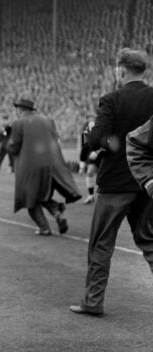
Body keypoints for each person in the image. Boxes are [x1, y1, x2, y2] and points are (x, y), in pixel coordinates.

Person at [71, 48, 153, 317]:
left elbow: (96, 141)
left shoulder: (111, 99)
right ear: (143, 70)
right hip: (146, 182)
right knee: (150, 242)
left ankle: (93, 302)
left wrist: (108, 141)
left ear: (120, 70)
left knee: (102, 244)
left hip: (115, 183)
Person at [6, 99, 81, 236]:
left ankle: (44, 228)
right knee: (42, 195)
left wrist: (8, 136)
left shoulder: (18, 123)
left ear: (21, 110)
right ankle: (57, 213)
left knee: (30, 201)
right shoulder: (48, 120)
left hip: (31, 167)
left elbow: (13, 148)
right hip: (52, 165)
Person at [79, 118, 99, 204]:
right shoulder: (87, 140)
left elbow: (109, 145)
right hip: (94, 157)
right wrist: (82, 166)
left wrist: (98, 152)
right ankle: (91, 196)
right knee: (90, 172)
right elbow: (83, 152)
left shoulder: (103, 134)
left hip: (105, 156)